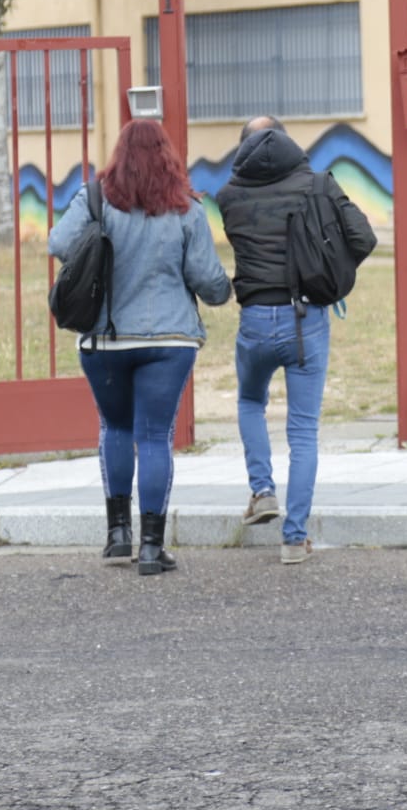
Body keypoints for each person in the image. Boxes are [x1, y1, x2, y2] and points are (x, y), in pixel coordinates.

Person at [49, 119, 232, 576]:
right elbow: (209, 284)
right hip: (170, 341)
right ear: (168, 157)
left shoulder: (95, 199)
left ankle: (117, 537)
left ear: (119, 154)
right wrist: (225, 289)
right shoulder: (186, 209)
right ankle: (152, 548)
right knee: (154, 436)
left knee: (115, 426)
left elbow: (58, 243)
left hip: (106, 338)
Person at [216, 116, 376, 564]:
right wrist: (328, 274)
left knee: (250, 401)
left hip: (254, 318)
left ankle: (262, 490)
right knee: (303, 431)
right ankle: (294, 539)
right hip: (305, 318)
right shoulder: (319, 184)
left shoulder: (228, 197)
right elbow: (363, 237)